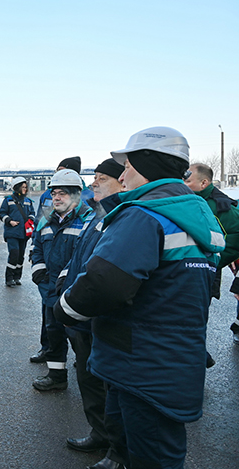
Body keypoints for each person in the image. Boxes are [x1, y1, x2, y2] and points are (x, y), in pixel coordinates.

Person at [54, 127, 225, 468]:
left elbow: (105, 283)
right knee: (132, 439)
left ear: (147, 163)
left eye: (128, 164)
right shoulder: (194, 211)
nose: (125, 172)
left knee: (152, 454)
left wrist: (65, 310)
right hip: (172, 355)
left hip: (141, 361)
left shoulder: (145, 214)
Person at [55, 158, 126, 469]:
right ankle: (99, 433)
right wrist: (64, 281)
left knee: (112, 388)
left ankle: (118, 451)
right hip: (80, 319)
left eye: (102, 178)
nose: (94, 183)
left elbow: (109, 275)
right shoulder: (98, 216)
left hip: (98, 319)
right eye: (94, 177)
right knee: (88, 380)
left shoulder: (122, 217)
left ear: (122, 182)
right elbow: (82, 257)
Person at [30, 169, 95, 391]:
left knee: (80, 339)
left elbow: (86, 257)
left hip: (75, 293)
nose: (56, 197)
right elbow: (36, 247)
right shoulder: (45, 220)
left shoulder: (89, 221)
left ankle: (93, 382)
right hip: (49, 290)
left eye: (63, 193)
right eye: (54, 193)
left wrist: (68, 280)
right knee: (54, 334)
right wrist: (38, 271)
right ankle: (57, 376)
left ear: (77, 195)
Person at [184, 163, 239, 346]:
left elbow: (235, 237)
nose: (184, 183)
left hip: (203, 273)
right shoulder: (185, 199)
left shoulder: (222, 206)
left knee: (193, 321)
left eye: (188, 180)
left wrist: (211, 261)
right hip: (183, 272)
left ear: (204, 183)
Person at [0, 176, 35, 287]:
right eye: (23, 187)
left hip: (24, 234)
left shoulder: (28, 201)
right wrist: (9, 221)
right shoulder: (8, 200)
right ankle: (9, 278)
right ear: (16, 187)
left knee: (21, 256)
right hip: (12, 233)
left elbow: (32, 213)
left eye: (25, 187)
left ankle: (17, 277)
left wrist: (31, 220)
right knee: (14, 254)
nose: (25, 189)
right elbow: (2, 213)